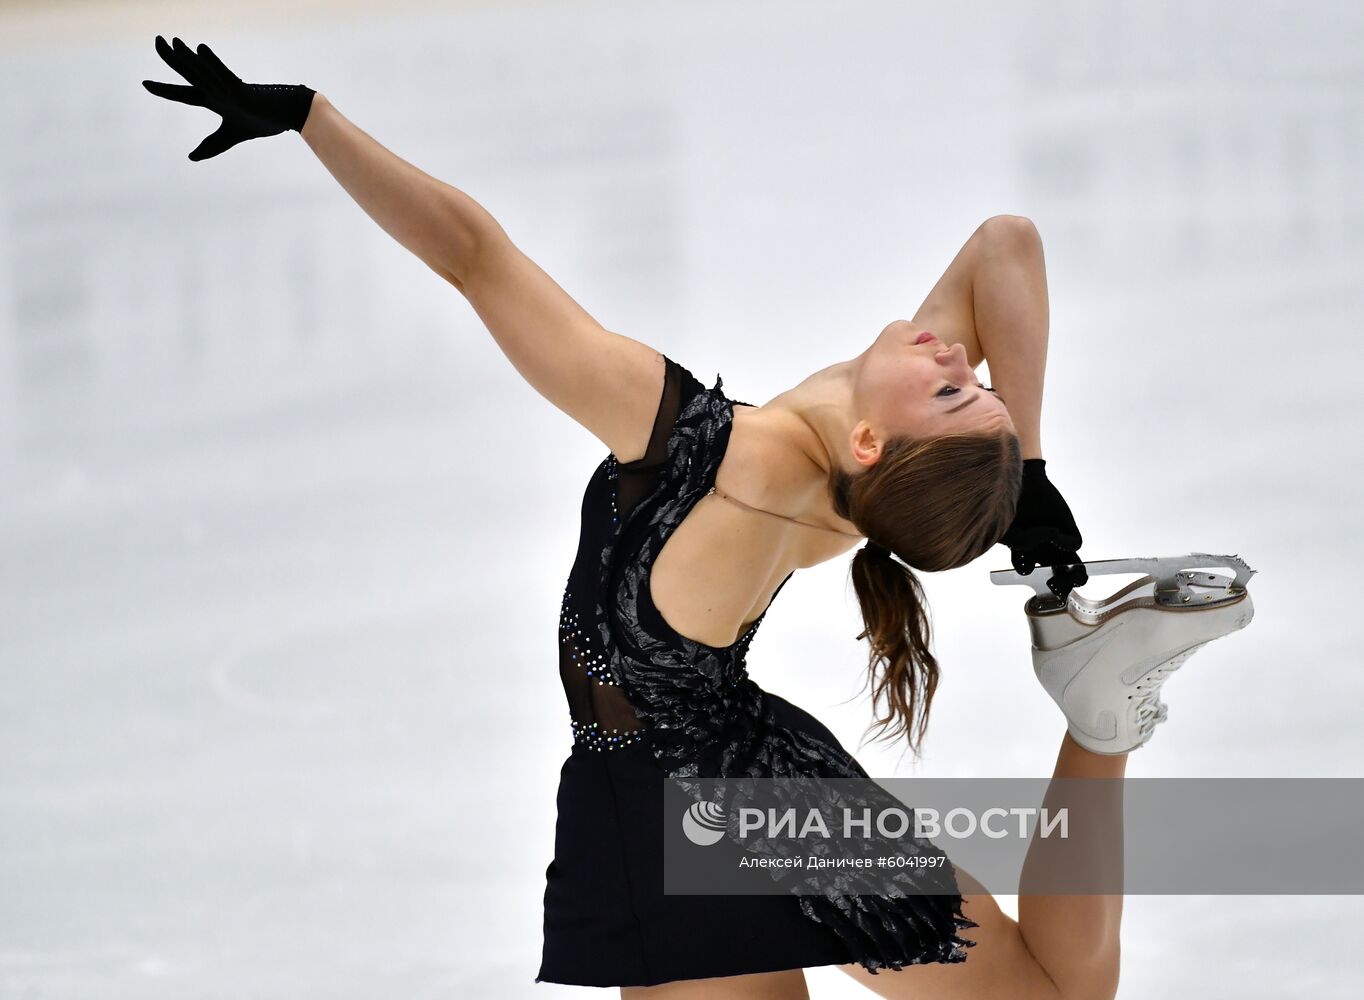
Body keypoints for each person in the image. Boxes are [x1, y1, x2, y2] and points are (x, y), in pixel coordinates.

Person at [142, 38, 1253, 999]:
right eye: (969, 378)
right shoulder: (855, 484)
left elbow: (474, 258)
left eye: (958, 387)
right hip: (760, 775)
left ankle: (1103, 711)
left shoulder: (700, 448)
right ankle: (1099, 721)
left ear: (878, 441)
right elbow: (1004, 245)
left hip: (666, 812)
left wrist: (308, 119)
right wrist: (1025, 459)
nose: (954, 350)